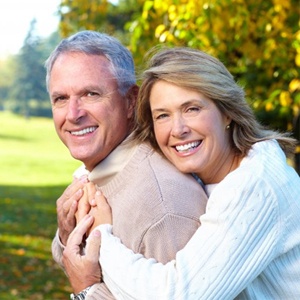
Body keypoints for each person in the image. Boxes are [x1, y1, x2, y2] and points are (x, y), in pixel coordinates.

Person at [64, 47, 300, 299]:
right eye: (163, 115)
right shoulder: (212, 175)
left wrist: (103, 241)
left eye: (192, 109)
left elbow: (180, 294)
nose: (177, 129)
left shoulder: (256, 185)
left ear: (227, 110)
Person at [45, 33, 208, 299]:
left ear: (131, 101)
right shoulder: (102, 172)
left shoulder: (165, 206)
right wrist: (66, 235)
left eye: (90, 94)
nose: (73, 114)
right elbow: (83, 266)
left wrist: (87, 291)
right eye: (61, 98)